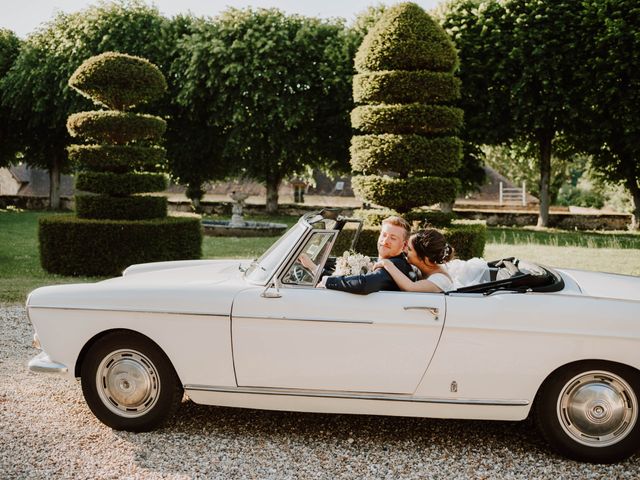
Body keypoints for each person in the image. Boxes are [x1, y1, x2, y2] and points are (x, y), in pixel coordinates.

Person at [317, 216, 413, 294]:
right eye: (384, 235)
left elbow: (365, 283)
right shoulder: (386, 262)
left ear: (404, 245)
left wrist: (327, 282)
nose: (385, 241)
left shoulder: (396, 265)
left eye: (393, 238)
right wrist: (316, 270)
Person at [374, 228, 454, 293]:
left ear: (424, 258)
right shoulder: (425, 268)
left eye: (409, 249)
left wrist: (387, 263)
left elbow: (409, 287)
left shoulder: (441, 279)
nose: (404, 250)